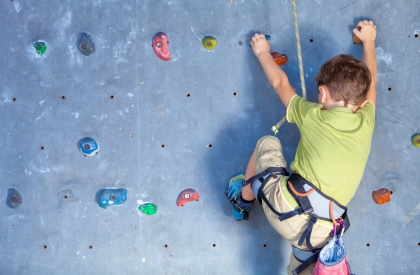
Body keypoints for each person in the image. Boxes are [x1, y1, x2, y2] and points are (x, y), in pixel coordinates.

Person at [226, 20, 377, 274]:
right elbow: (371, 86)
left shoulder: (312, 115)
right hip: (321, 235)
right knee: (305, 262)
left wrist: (262, 51)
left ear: (322, 94)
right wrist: (370, 40)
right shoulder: (367, 120)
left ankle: (242, 202)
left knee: (267, 143)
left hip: (287, 211)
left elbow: (280, 85)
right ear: (362, 103)